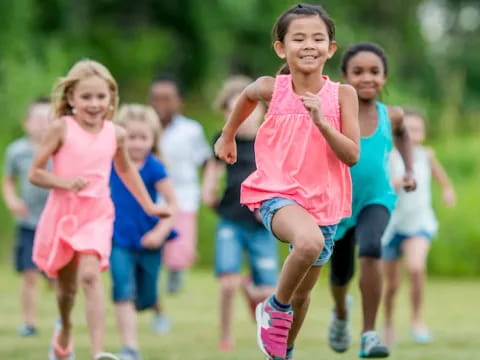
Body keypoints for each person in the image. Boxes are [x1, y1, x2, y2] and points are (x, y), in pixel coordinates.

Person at [215, 4, 360, 359]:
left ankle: (283, 350)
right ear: (281, 48)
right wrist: (228, 135)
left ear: (330, 48)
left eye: (317, 38)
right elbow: (247, 95)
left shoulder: (342, 95)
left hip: (324, 203)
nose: (308, 45)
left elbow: (352, 154)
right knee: (307, 244)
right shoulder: (272, 89)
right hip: (276, 192)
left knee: (302, 294)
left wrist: (324, 123)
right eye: (298, 38)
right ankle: (273, 308)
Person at [28, 60, 172, 360]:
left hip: (97, 213)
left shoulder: (115, 134)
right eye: (86, 97)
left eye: (100, 97)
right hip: (65, 213)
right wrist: (65, 182)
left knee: (91, 276)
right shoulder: (61, 129)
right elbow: (35, 173)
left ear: (110, 98)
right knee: (67, 291)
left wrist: (149, 205)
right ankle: (65, 329)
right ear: (71, 99)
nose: (94, 104)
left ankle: (98, 352)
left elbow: (127, 171)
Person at [327, 42, 416, 358]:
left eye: (374, 72)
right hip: (337, 202)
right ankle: (339, 313)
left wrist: (409, 169)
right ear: (344, 77)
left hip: (376, 198)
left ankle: (369, 334)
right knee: (340, 274)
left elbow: (404, 134)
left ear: (385, 77)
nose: (367, 78)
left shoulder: (391, 115)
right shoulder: (333, 112)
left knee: (372, 248)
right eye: (358, 72)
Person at [202, 76, 278, 352]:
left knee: (269, 290)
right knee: (226, 284)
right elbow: (214, 170)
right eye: (237, 110)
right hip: (231, 221)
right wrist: (208, 188)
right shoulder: (223, 140)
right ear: (227, 113)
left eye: (250, 109)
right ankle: (225, 335)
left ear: (262, 111)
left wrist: (272, 205)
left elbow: (280, 177)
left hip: (262, 225)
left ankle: (261, 314)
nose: (245, 117)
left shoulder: (270, 141)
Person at [110, 104, 178, 360]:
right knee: (122, 287)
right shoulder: (112, 164)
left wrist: (161, 232)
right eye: (131, 137)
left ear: (153, 139)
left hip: (149, 240)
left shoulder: (154, 167)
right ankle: (130, 347)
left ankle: (156, 309)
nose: (137, 144)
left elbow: (172, 205)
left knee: (145, 296)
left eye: (143, 138)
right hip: (118, 238)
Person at [382, 109, 455, 346]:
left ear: (423, 133)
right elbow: (382, 188)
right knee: (391, 285)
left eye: (417, 130)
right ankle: (388, 324)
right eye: (408, 130)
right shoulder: (389, 157)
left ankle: (416, 321)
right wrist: (398, 183)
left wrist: (447, 190)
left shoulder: (425, 155)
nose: (412, 135)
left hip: (419, 223)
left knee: (415, 268)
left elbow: (440, 175)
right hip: (391, 226)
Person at [149, 74, 212, 296]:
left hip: (184, 196)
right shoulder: (145, 129)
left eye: (167, 98)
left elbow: (206, 160)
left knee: (179, 244)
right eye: (157, 98)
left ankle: (175, 277)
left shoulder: (190, 130)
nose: (162, 104)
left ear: (178, 101)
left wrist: (208, 186)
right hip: (151, 197)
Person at [2, 97, 51, 337]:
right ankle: (29, 322)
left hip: (55, 222)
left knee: (57, 276)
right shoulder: (16, 151)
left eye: (48, 119)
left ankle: (63, 320)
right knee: (29, 275)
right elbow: (8, 181)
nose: (42, 124)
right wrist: (12, 201)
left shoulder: (60, 149)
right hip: (28, 223)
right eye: (37, 118)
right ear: (26, 123)